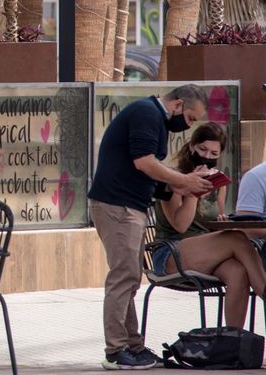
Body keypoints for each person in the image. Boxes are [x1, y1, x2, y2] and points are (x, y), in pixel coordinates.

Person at [88, 84, 213, 370]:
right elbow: (144, 163)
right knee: (124, 277)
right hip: (118, 206)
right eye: (192, 118)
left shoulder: (153, 118)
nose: (189, 125)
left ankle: (133, 345)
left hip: (127, 206)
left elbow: (150, 176)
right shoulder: (147, 113)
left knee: (129, 277)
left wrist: (187, 186)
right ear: (178, 104)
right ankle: (116, 350)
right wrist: (183, 182)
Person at [153, 122, 266, 328]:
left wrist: (222, 221)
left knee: (238, 272)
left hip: (206, 252)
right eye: (202, 149)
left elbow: (211, 222)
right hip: (170, 252)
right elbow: (180, 225)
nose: (207, 156)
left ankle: (233, 342)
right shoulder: (174, 179)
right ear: (192, 147)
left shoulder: (218, 182)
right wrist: (193, 188)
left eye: (213, 152)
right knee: (237, 238)